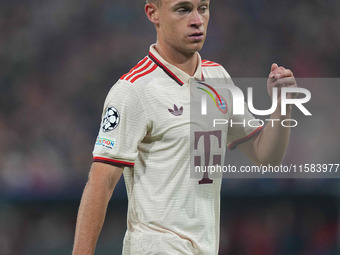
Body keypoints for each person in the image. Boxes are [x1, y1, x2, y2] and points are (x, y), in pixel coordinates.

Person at [72, 0, 297, 254]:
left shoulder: (218, 78)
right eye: (183, 9)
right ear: (153, 13)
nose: (197, 20)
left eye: (203, 8)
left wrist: (281, 105)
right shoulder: (134, 90)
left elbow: (266, 156)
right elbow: (101, 181)